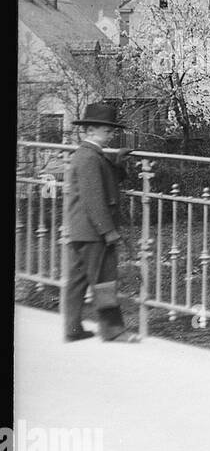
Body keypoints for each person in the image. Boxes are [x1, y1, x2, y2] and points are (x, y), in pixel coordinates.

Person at [62, 103, 137, 342]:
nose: (112, 134)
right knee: (104, 281)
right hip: (94, 232)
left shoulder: (90, 155)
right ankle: (113, 331)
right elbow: (94, 200)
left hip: (81, 230)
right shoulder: (89, 158)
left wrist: (119, 161)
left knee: (77, 280)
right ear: (92, 130)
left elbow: (109, 179)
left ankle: (72, 329)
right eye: (108, 131)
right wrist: (108, 231)